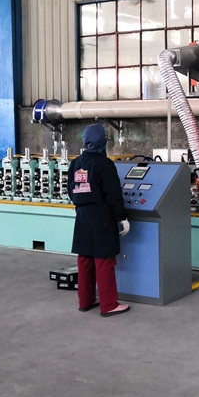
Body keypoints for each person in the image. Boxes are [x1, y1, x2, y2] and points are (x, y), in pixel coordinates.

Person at [68, 123, 131, 317]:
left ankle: (85, 300)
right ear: (103, 141)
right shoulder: (104, 164)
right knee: (104, 260)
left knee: (85, 259)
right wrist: (122, 217)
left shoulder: (76, 163)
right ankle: (109, 305)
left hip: (82, 215)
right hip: (101, 216)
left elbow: (71, 190)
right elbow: (113, 195)